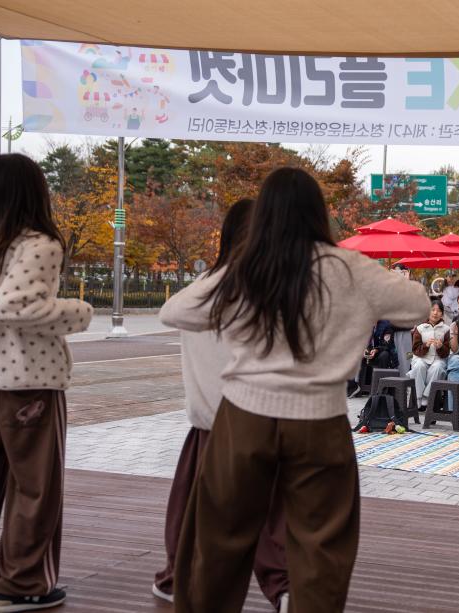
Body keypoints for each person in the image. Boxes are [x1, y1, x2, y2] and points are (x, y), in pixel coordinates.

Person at [158, 167, 429, 612]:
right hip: (320, 420)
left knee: (220, 536)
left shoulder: (246, 267)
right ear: (317, 213)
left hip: (243, 417)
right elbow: (417, 304)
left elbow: (176, 311)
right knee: (321, 544)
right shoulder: (349, 268)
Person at [151, 199, 289, 610]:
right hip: (255, 420)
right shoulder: (262, 292)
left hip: (207, 424)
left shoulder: (202, 290)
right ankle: (283, 587)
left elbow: (170, 312)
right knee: (269, 512)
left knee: (193, 512)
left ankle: (179, 577)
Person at [0, 153, 94, 612]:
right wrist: (78, 312)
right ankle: (21, 584)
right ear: (35, 189)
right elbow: (16, 307)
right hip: (28, 380)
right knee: (36, 486)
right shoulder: (39, 243)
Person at [408, 300, 451, 409]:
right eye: (433, 310)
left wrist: (441, 347)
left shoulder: (446, 329)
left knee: (437, 368)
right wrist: (425, 346)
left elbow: (447, 352)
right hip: (421, 358)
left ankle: (426, 397)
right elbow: (415, 349)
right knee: (419, 366)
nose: (435, 313)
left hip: (437, 359)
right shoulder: (420, 328)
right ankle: (417, 397)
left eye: (438, 311)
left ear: (442, 313)